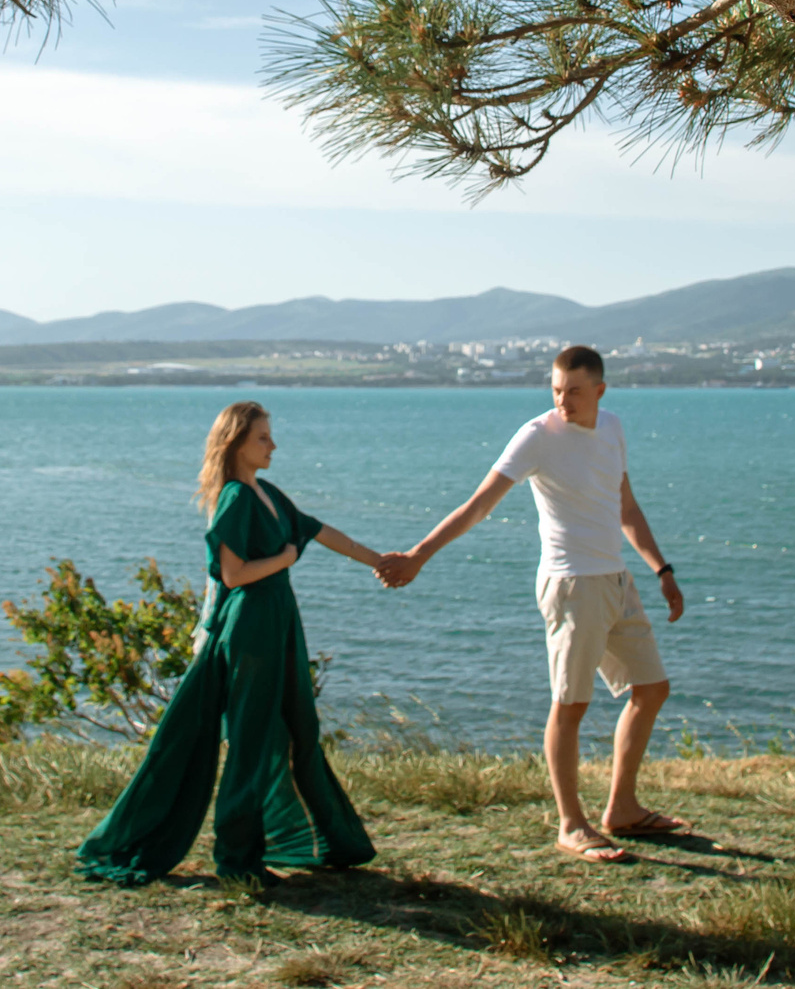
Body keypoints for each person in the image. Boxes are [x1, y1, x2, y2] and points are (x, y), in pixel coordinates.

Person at [378, 345, 685, 863]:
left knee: (652, 689)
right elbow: (479, 505)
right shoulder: (536, 436)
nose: (563, 401)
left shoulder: (611, 428)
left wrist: (662, 569)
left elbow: (625, 506)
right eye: (556, 390)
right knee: (571, 705)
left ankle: (623, 809)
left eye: (575, 392)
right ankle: (571, 824)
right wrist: (418, 555)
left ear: (600, 391)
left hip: (614, 578)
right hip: (570, 586)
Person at [78, 399, 386, 886]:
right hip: (250, 628)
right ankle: (238, 858)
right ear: (236, 443)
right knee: (251, 737)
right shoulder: (236, 499)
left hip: (278, 622)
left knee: (296, 727)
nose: (273, 445)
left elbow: (321, 531)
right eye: (263, 437)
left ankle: (315, 837)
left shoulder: (266, 493)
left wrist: (383, 561)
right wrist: (285, 560)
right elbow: (234, 573)